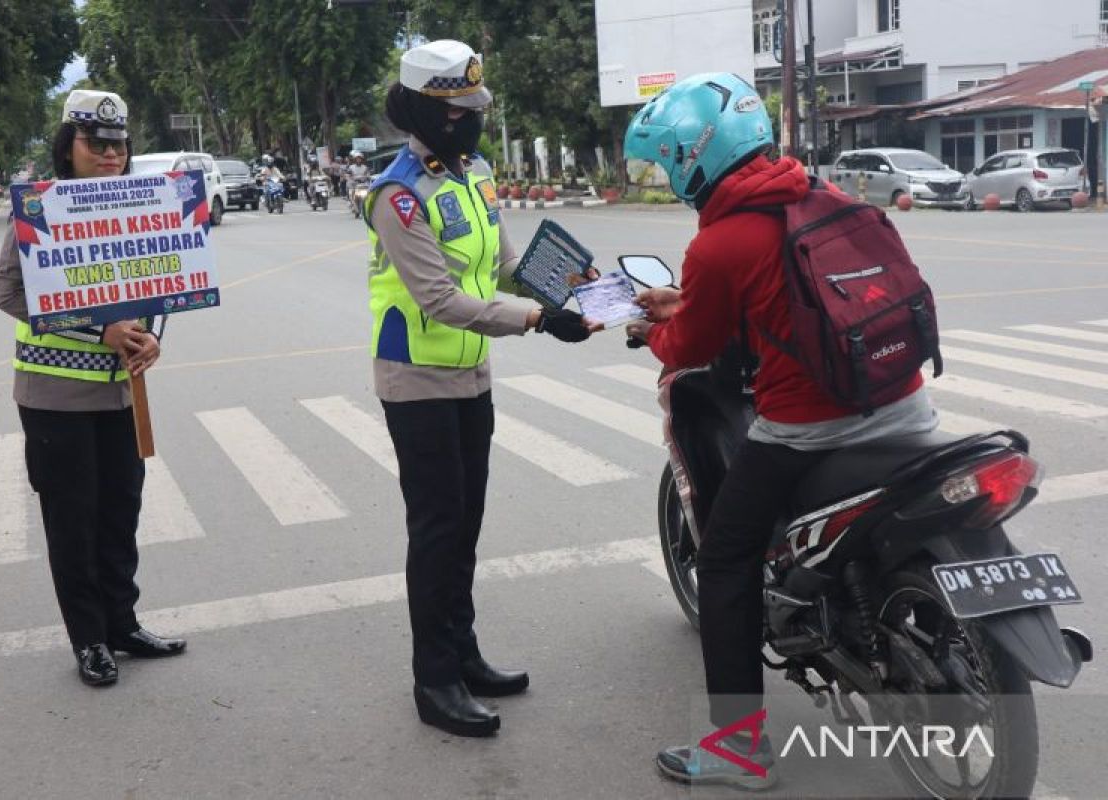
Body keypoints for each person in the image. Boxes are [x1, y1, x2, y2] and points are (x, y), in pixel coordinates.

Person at [621, 73, 938, 788]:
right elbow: (789, 297)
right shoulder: (830, 200)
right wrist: (689, 298)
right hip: (908, 410)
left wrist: (652, 329)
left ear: (688, 157)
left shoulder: (720, 241)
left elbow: (693, 347)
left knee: (727, 561)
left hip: (809, 430)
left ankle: (737, 748)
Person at [367, 39, 595, 738]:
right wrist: (535, 318)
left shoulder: (475, 175)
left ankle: (463, 653)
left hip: (471, 376)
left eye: (475, 110)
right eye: (459, 112)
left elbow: (498, 268)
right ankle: (432, 680)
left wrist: (572, 290)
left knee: (464, 528)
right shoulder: (397, 194)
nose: (472, 122)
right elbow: (439, 298)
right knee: (435, 533)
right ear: (424, 112)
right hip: (418, 381)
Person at [0, 89, 187, 688]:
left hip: (121, 395)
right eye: (96, 144)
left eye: (118, 144)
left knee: (120, 512)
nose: (109, 154)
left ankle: (122, 623)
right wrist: (97, 329)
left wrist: (151, 337)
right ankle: (90, 640)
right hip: (55, 397)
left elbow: (155, 286)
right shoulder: (40, 210)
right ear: (68, 147)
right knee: (72, 521)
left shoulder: (137, 206)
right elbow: (9, 294)